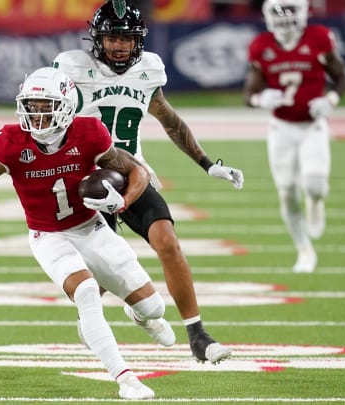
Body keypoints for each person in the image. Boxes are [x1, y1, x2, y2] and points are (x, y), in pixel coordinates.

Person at [0, 67, 175, 400]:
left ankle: (139, 316)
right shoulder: (12, 143)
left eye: (46, 106)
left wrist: (123, 202)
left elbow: (135, 170)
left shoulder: (90, 133)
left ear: (67, 106)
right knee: (85, 291)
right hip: (48, 235)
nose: (38, 115)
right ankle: (126, 378)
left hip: (91, 227)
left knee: (153, 309)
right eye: (32, 106)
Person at [52, 0, 241, 364]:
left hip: (132, 175)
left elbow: (169, 119)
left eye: (127, 38)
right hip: (87, 182)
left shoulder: (149, 70)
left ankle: (198, 334)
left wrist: (206, 164)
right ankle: (135, 312)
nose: (120, 45)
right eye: (112, 37)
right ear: (97, 38)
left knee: (167, 240)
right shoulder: (73, 69)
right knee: (102, 277)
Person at [243, 0, 345, 273]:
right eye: (279, 10)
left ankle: (315, 202)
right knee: (287, 191)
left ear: (301, 11)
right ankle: (304, 250)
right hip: (281, 128)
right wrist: (259, 99)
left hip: (312, 126)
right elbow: (249, 94)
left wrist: (332, 100)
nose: (284, 16)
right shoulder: (262, 45)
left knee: (315, 186)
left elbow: (341, 76)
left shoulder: (318, 38)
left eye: (289, 9)